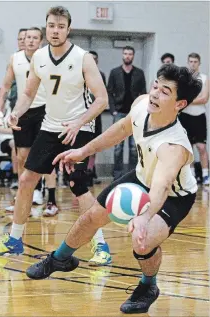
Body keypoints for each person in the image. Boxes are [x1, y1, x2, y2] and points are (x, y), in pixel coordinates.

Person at [26, 64, 202, 314]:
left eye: (164, 92)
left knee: (142, 242)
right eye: (155, 86)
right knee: (90, 218)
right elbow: (120, 130)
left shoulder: (173, 147)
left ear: (180, 104)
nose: (154, 94)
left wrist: (144, 216)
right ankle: (60, 258)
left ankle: (148, 286)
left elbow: (162, 186)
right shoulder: (142, 104)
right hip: (141, 177)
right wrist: (82, 152)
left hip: (174, 195)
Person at [0, 6, 111, 266]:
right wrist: (17, 113)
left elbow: (102, 99)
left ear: (68, 29)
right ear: (46, 28)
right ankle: (14, 239)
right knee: (26, 180)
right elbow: (27, 94)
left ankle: (101, 245)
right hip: (50, 126)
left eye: (60, 26)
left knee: (77, 186)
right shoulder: (40, 57)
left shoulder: (82, 58)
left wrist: (78, 123)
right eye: (51, 26)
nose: (55, 31)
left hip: (78, 129)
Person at [0, 27, 58, 213]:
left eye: (35, 38)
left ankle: (51, 200)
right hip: (22, 112)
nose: (30, 40)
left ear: (41, 41)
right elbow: (5, 86)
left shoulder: (47, 58)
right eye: (28, 37)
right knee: (22, 157)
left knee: (46, 156)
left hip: (44, 111)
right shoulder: (15, 59)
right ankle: (24, 198)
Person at [108, 46, 146, 180]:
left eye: (130, 54)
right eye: (125, 53)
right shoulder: (114, 72)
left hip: (135, 113)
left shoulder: (139, 73)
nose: (128, 56)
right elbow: (109, 92)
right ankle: (117, 176)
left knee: (133, 148)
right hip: (118, 113)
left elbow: (144, 93)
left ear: (133, 56)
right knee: (118, 147)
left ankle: (132, 175)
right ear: (122, 55)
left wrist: (141, 110)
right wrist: (112, 110)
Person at [179, 53, 209, 185]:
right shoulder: (183, 79)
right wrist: (187, 100)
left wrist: (188, 100)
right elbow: (180, 97)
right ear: (188, 62)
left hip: (199, 117)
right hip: (185, 116)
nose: (193, 64)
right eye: (190, 61)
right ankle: (191, 176)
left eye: (195, 61)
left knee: (201, 147)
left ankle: (206, 175)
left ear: (199, 63)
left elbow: (204, 98)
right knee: (188, 148)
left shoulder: (204, 78)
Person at [87, 50, 106, 185]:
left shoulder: (101, 75)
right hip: (81, 114)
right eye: (90, 58)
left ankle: (90, 170)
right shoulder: (79, 74)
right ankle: (79, 171)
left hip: (96, 114)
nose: (92, 61)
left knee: (95, 143)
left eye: (95, 59)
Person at [0, 88, 18, 188]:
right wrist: (5, 129)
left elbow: (14, 130)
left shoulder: (11, 112)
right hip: (3, 143)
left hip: (15, 140)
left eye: (1, 97)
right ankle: (15, 177)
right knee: (15, 143)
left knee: (21, 145)